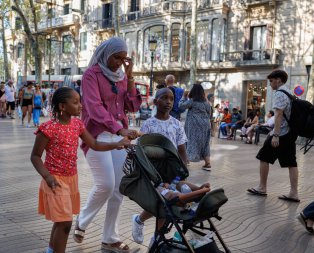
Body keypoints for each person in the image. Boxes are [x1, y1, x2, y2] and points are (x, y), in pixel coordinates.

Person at [30, 87, 130, 253]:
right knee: (66, 223)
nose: (81, 106)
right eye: (75, 102)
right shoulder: (48, 128)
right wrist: (47, 177)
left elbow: (95, 144)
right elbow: (35, 156)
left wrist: (116, 144)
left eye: (80, 101)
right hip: (54, 180)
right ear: (62, 106)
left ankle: (50, 250)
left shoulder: (77, 124)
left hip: (71, 179)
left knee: (60, 221)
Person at [73, 37, 141, 252]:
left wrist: (130, 79)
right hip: (96, 135)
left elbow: (132, 105)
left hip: (119, 136)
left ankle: (110, 238)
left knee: (118, 189)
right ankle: (82, 221)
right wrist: (119, 128)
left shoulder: (122, 76)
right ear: (105, 54)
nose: (119, 63)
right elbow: (94, 108)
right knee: (106, 184)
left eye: (123, 58)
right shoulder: (91, 74)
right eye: (116, 57)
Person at [131, 87, 188, 244]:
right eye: (164, 98)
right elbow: (142, 150)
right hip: (153, 171)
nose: (168, 102)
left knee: (167, 204)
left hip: (172, 170)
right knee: (163, 203)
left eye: (171, 99)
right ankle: (148, 229)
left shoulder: (177, 124)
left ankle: (154, 235)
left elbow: (182, 149)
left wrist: (184, 168)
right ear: (155, 102)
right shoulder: (149, 124)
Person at [247, 70, 300, 202]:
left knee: (263, 156)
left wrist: (275, 135)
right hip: (290, 133)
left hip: (280, 133)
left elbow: (278, 115)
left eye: (271, 81)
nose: (270, 84)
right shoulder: (289, 93)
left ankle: (262, 187)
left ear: (279, 80)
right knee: (291, 162)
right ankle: (294, 193)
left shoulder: (280, 93)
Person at [179, 84, 212, 170]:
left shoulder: (192, 101)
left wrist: (184, 96)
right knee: (205, 143)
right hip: (206, 125)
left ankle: (186, 160)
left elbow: (181, 105)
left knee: (190, 141)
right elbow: (209, 113)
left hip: (194, 125)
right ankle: (207, 163)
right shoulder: (206, 102)